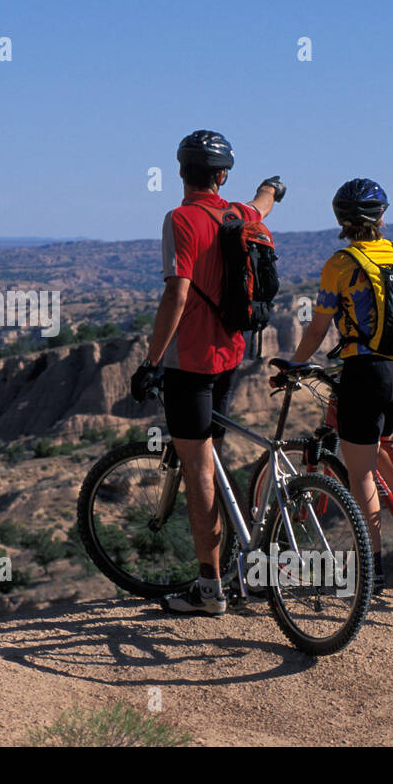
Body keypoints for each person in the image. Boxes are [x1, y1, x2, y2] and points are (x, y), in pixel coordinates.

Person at [130, 130, 284, 616]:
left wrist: (152, 361)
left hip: (191, 363)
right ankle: (246, 563)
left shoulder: (181, 219)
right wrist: (272, 189)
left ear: (180, 172)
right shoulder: (238, 213)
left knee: (198, 469)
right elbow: (264, 204)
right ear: (222, 176)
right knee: (212, 456)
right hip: (232, 356)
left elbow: (176, 294)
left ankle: (209, 588)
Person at [289, 178, 393, 596]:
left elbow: (318, 328)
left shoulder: (341, 263)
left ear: (341, 219)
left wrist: (293, 366)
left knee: (359, 470)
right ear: (382, 216)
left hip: (366, 374)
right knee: (381, 443)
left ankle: (371, 567)